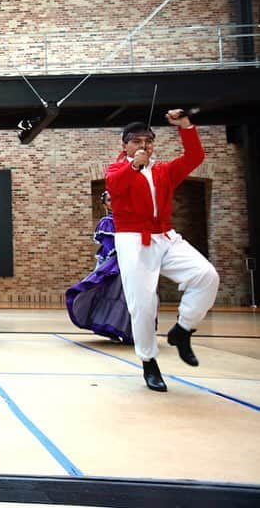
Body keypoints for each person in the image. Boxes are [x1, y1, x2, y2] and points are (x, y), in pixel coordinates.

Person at [105, 113, 219, 392]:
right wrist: (134, 166)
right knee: (143, 304)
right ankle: (148, 362)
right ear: (125, 146)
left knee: (206, 275)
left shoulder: (163, 171)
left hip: (166, 236)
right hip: (133, 239)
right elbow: (115, 187)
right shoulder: (115, 169)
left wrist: (186, 127)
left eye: (149, 141)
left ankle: (182, 330)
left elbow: (194, 158)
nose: (144, 145)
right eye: (137, 141)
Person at [65, 191, 133, 344]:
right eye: (109, 200)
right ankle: (110, 327)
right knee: (113, 294)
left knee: (129, 297)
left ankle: (130, 331)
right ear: (105, 204)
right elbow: (111, 246)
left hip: (130, 263)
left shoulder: (129, 220)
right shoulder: (107, 222)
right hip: (114, 265)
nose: (113, 203)